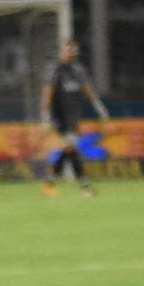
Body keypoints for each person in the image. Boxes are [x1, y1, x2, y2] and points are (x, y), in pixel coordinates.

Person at [41, 38, 109, 198]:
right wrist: (45, 114)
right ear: (62, 51)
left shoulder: (78, 70)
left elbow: (87, 89)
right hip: (58, 115)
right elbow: (47, 91)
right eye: (67, 49)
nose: (70, 52)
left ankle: (50, 182)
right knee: (71, 148)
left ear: (76, 52)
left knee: (69, 149)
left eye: (72, 50)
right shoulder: (55, 69)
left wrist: (99, 107)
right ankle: (84, 187)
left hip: (74, 116)